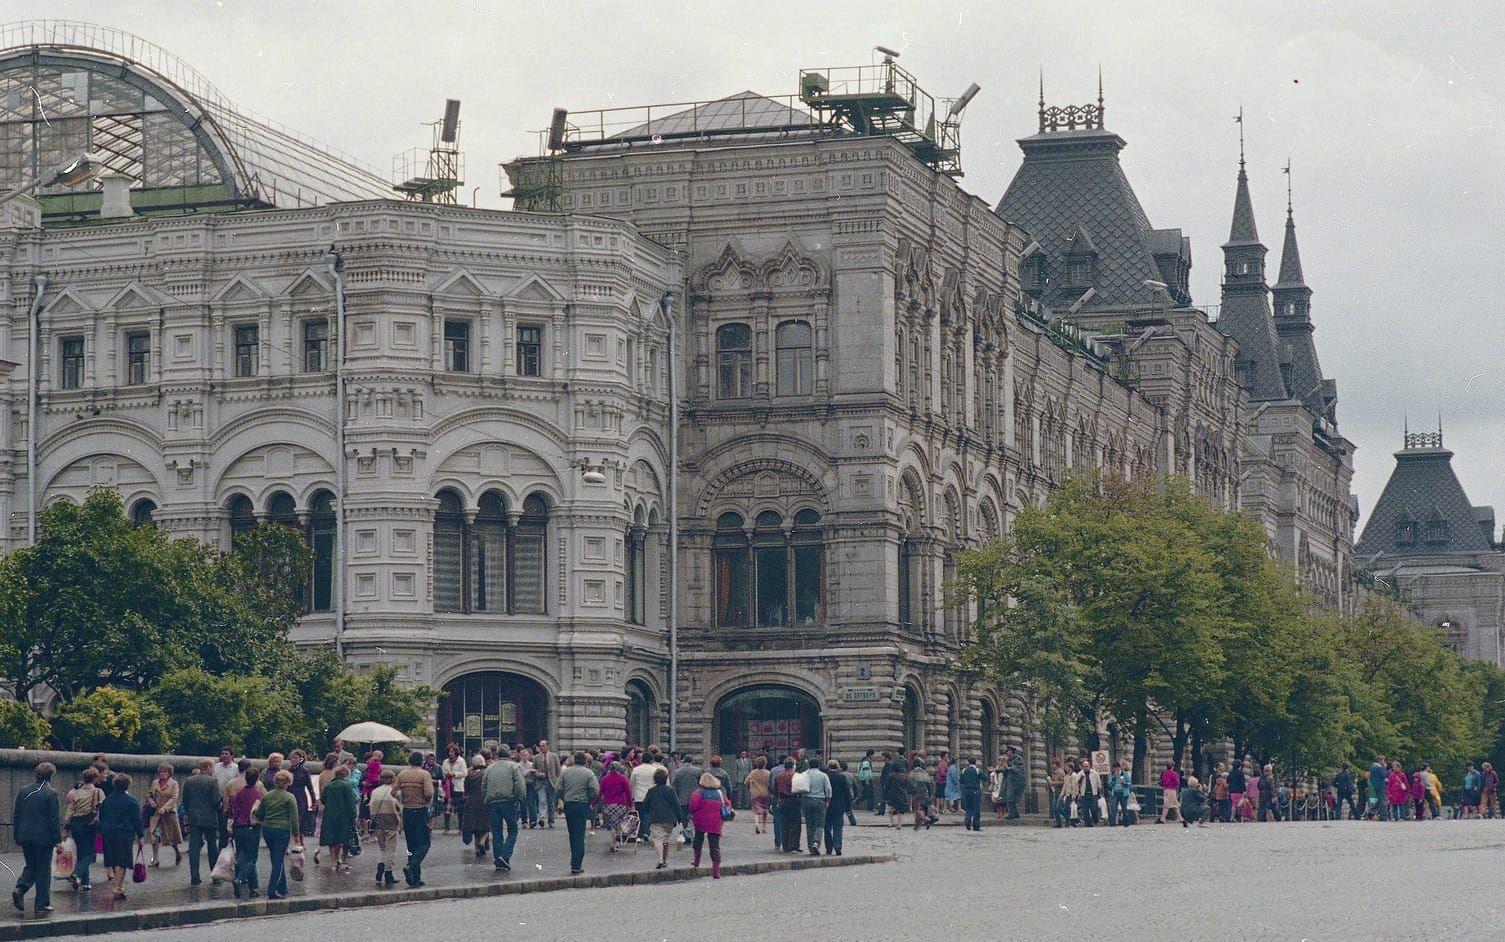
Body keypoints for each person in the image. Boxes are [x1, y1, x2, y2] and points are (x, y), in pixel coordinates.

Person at [11, 762, 61, 915]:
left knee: (32, 866)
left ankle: (20, 889)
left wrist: (17, 835)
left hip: (26, 836)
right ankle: (41, 903)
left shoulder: (23, 791)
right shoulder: (51, 793)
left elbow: (17, 815)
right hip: (44, 838)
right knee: (43, 869)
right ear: (51, 776)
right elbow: (54, 820)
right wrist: (58, 841)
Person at [254, 769, 300, 900]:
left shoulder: (267, 796)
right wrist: (296, 835)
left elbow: (259, 814)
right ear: (288, 782)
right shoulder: (289, 797)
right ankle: (272, 889)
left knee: (275, 857)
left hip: (268, 829)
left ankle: (282, 886)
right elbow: (294, 818)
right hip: (282, 830)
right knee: (278, 860)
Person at [98, 774, 145, 902]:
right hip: (124, 833)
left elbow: (101, 817)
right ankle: (118, 887)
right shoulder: (132, 801)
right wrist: (140, 836)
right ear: (127, 785)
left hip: (108, 832)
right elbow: (137, 820)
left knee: (113, 858)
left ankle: (118, 884)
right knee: (122, 860)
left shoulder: (107, 800)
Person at [483, 743, 526, 871]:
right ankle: (505, 855)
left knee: (496, 832)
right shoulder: (514, 766)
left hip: (493, 802)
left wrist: (486, 799)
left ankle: (498, 859)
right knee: (513, 830)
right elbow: (519, 785)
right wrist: (519, 799)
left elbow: (484, 786)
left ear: (497, 754)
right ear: (509, 754)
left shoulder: (490, 768)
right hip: (509, 801)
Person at [394, 751, 435, 887]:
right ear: (421, 761)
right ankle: (412, 865)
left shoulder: (402, 774)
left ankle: (415, 878)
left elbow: (393, 792)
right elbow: (429, 793)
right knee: (424, 843)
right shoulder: (424, 774)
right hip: (420, 810)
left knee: (411, 845)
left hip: (407, 811)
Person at [557, 751, 601, 874]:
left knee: (572, 833)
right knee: (580, 834)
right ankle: (577, 863)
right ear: (585, 761)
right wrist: (591, 800)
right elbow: (595, 790)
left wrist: (561, 799)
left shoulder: (566, 772)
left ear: (575, 760)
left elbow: (559, 788)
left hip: (569, 804)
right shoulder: (589, 773)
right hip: (582, 804)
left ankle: (574, 861)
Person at [181, 759, 223, 886]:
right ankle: (215, 876)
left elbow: (185, 800)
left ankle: (195, 876)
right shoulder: (212, 781)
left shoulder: (189, 781)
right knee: (212, 846)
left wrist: (190, 812)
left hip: (194, 818)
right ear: (209, 767)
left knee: (194, 847)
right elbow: (216, 801)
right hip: (209, 818)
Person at [63, 767, 104, 891]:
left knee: (81, 853)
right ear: (95, 779)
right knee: (90, 854)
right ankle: (76, 874)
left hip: (75, 824)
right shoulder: (98, 791)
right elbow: (103, 808)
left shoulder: (77, 792)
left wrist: (66, 828)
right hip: (88, 824)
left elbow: (70, 810)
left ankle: (85, 883)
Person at [687, 771, 732, 878]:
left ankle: (696, 861)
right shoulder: (720, 793)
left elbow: (692, 806)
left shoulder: (698, 793)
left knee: (698, 840)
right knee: (714, 846)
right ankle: (716, 871)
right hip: (716, 822)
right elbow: (728, 805)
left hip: (700, 820)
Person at [319, 757, 358, 875]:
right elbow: (351, 802)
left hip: (330, 815)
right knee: (345, 839)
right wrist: (354, 815)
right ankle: (343, 859)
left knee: (332, 840)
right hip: (344, 816)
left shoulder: (329, 786)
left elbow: (323, 799)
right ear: (346, 774)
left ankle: (333, 862)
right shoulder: (347, 786)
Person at [228, 767, 263, 898]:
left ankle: (254, 887)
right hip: (251, 827)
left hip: (238, 827)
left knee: (241, 856)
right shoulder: (258, 794)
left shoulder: (238, 793)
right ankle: (240, 879)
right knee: (252, 858)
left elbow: (233, 810)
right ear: (257, 779)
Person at [368, 768, 401, 887]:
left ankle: (379, 872)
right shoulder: (394, 791)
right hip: (391, 822)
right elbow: (399, 807)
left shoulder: (375, 791)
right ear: (393, 779)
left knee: (382, 849)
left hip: (377, 823)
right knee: (390, 850)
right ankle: (388, 874)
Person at [644, 766, 681, 870]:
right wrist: (680, 818)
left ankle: (660, 859)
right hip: (669, 818)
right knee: (665, 839)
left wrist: (647, 812)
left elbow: (645, 804)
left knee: (657, 839)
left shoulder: (651, 791)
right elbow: (676, 804)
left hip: (655, 817)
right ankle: (664, 860)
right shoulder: (670, 790)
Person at [147, 763, 183, 867]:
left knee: (171, 837)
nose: (162, 774)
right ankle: (155, 859)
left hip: (168, 813)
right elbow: (149, 794)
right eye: (161, 772)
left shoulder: (174, 783)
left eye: (165, 772)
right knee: (154, 836)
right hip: (155, 813)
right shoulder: (155, 782)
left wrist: (165, 808)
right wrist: (151, 801)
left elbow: (174, 797)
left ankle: (177, 852)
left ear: (169, 773)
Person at [600, 761, 634, 851]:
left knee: (612, 825)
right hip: (620, 805)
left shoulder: (604, 779)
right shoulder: (623, 779)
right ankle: (614, 842)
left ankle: (614, 842)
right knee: (618, 823)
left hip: (607, 805)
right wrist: (630, 804)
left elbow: (600, 792)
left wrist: (595, 803)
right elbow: (628, 793)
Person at [629, 750, 662, 842]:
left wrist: (632, 794)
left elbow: (632, 783)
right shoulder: (655, 770)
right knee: (648, 815)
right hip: (651, 796)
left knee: (640, 815)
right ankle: (645, 833)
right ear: (651, 760)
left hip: (639, 795)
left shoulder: (636, 770)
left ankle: (641, 833)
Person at [802, 757, 831, 854]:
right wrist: (827, 800)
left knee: (809, 825)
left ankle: (811, 848)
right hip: (819, 800)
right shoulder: (823, 775)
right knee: (819, 824)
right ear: (818, 765)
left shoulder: (804, 775)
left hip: (806, 800)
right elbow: (828, 789)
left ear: (809, 765)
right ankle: (816, 842)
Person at [672, 754, 704, 835]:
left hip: (682, 798)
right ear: (692, 761)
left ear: (684, 761)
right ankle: (690, 831)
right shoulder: (697, 771)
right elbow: (701, 783)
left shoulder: (678, 771)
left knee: (683, 816)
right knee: (692, 816)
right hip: (695, 798)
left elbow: (674, 785)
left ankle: (685, 831)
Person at [774, 757, 801, 851]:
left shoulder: (778, 776)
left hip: (782, 801)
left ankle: (785, 845)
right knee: (795, 823)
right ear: (793, 765)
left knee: (784, 824)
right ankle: (793, 844)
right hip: (794, 800)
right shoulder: (796, 775)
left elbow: (775, 790)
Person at [441, 743, 467, 833]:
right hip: (448, 787)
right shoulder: (445, 762)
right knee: (447, 808)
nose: (450, 753)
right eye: (449, 752)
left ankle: (461, 828)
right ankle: (446, 828)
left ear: (456, 752)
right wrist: (446, 774)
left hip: (458, 787)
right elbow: (443, 772)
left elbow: (464, 773)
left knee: (460, 809)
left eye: (452, 752)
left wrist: (454, 774)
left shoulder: (461, 761)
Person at [535, 740, 562, 829]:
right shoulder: (536, 757)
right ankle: (542, 817)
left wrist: (558, 782)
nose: (541, 748)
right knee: (542, 800)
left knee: (551, 802)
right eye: (540, 746)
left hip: (551, 782)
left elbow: (558, 771)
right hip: (541, 782)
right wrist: (538, 774)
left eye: (543, 746)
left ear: (548, 746)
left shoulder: (554, 757)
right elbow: (533, 770)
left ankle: (551, 821)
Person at [745, 756, 771, 835]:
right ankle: (764, 827)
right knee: (765, 810)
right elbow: (770, 784)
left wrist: (749, 788)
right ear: (765, 764)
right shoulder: (767, 773)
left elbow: (746, 782)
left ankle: (756, 824)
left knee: (756, 811)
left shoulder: (753, 772)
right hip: (765, 793)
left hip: (755, 794)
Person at [883, 752, 910, 829]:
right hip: (901, 795)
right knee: (899, 811)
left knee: (889, 809)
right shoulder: (903, 777)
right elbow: (906, 785)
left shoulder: (891, 776)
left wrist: (885, 794)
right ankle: (899, 824)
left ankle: (891, 822)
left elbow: (887, 786)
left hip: (892, 795)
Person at [908, 758, 934, 830]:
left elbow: (910, 784)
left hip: (917, 792)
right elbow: (929, 783)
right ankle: (917, 824)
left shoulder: (912, 773)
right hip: (925, 792)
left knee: (917, 808)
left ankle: (926, 819)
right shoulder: (924, 772)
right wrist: (930, 793)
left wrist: (910, 792)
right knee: (923, 807)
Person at [959, 756, 983, 832]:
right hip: (975, 791)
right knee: (976, 809)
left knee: (968, 808)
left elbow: (961, 781)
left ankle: (967, 822)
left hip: (966, 791)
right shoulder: (977, 770)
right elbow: (985, 778)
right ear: (975, 762)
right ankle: (976, 826)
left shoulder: (964, 770)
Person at [1108, 761, 1134, 827]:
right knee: (1114, 808)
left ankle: (1126, 823)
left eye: (1117, 768)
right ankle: (1112, 823)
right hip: (1116, 793)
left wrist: (1124, 782)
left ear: (1119, 768)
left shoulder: (1125, 774)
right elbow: (1109, 784)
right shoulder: (1111, 775)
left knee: (1124, 808)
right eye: (1114, 768)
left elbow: (1129, 783)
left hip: (1123, 793)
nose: (1115, 770)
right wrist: (1113, 778)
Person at [1367, 755, 1387, 820]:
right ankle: (1383, 817)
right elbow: (1383, 775)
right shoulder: (1379, 767)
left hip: (1374, 785)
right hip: (1381, 785)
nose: (1384, 761)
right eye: (1383, 760)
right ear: (1379, 760)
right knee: (1383, 801)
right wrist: (1384, 768)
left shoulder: (1372, 767)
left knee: (1378, 801)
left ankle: (1371, 812)